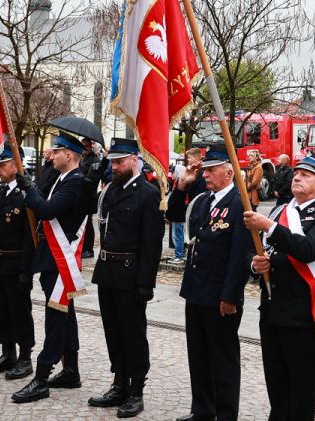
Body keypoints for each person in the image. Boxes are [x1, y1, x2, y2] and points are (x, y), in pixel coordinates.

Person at [243, 153, 315, 420]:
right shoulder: (281, 210)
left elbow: (308, 250)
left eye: (306, 175)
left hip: (303, 314)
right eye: (297, 173)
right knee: (276, 385)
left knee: (300, 388)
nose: (297, 177)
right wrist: (257, 265)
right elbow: (261, 251)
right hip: (272, 309)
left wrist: (268, 225)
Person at [168, 144, 249, 421]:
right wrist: (182, 186)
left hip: (220, 295)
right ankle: (203, 410)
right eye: (205, 170)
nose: (205, 175)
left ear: (228, 171)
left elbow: (240, 254)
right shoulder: (204, 200)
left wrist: (230, 296)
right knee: (199, 355)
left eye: (212, 170)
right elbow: (173, 214)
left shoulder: (239, 203)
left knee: (223, 359)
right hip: (196, 290)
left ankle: (226, 414)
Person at [10, 132, 89, 403]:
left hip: (60, 261)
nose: (51, 155)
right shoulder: (62, 178)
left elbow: (47, 210)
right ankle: (71, 370)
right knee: (66, 316)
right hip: (52, 258)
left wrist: (29, 189)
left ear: (68, 155)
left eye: (56, 151)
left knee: (56, 317)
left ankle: (41, 377)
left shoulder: (75, 182)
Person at [87, 138, 163, 418]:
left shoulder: (148, 193)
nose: (114, 167)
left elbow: (153, 243)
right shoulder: (111, 191)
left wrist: (146, 282)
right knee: (113, 332)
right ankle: (119, 382)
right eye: (112, 162)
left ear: (134, 159)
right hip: (108, 272)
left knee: (132, 334)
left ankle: (136, 390)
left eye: (119, 162)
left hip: (131, 275)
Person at [0, 144, 36, 380]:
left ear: (16, 165)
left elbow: (30, 235)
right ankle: (8, 352)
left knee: (20, 310)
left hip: (17, 262)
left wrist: (27, 269)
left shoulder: (26, 194)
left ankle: (25, 357)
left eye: (2, 165)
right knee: (1, 308)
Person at [167, 149, 205, 264]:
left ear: (197, 158)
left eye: (190, 158)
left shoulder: (201, 174)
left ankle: (180, 255)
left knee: (182, 234)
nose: (188, 160)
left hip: (194, 211)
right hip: (187, 211)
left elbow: (198, 196)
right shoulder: (190, 173)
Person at [80, 138, 101, 259]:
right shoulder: (83, 158)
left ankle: (88, 249)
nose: (85, 149)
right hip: (82, 194)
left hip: (89, 195)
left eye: (87, 146)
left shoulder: (94, 160)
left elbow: (94, 179)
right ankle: (84, 247)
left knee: (87, 223)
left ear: (91, 147)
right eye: (83, 146)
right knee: (83, 223)